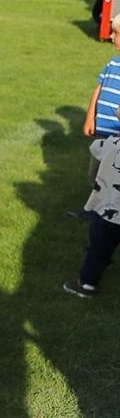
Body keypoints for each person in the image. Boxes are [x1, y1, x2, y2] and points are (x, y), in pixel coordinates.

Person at [70, 25, 120, 299]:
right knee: (96, 175)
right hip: (104, 133)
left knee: (112, 179)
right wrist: (90, 116)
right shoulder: (112, 63)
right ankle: (95, 208)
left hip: (118, 136)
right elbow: (98, 90)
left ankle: (105, 216)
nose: (111, 37)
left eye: (116, 33)